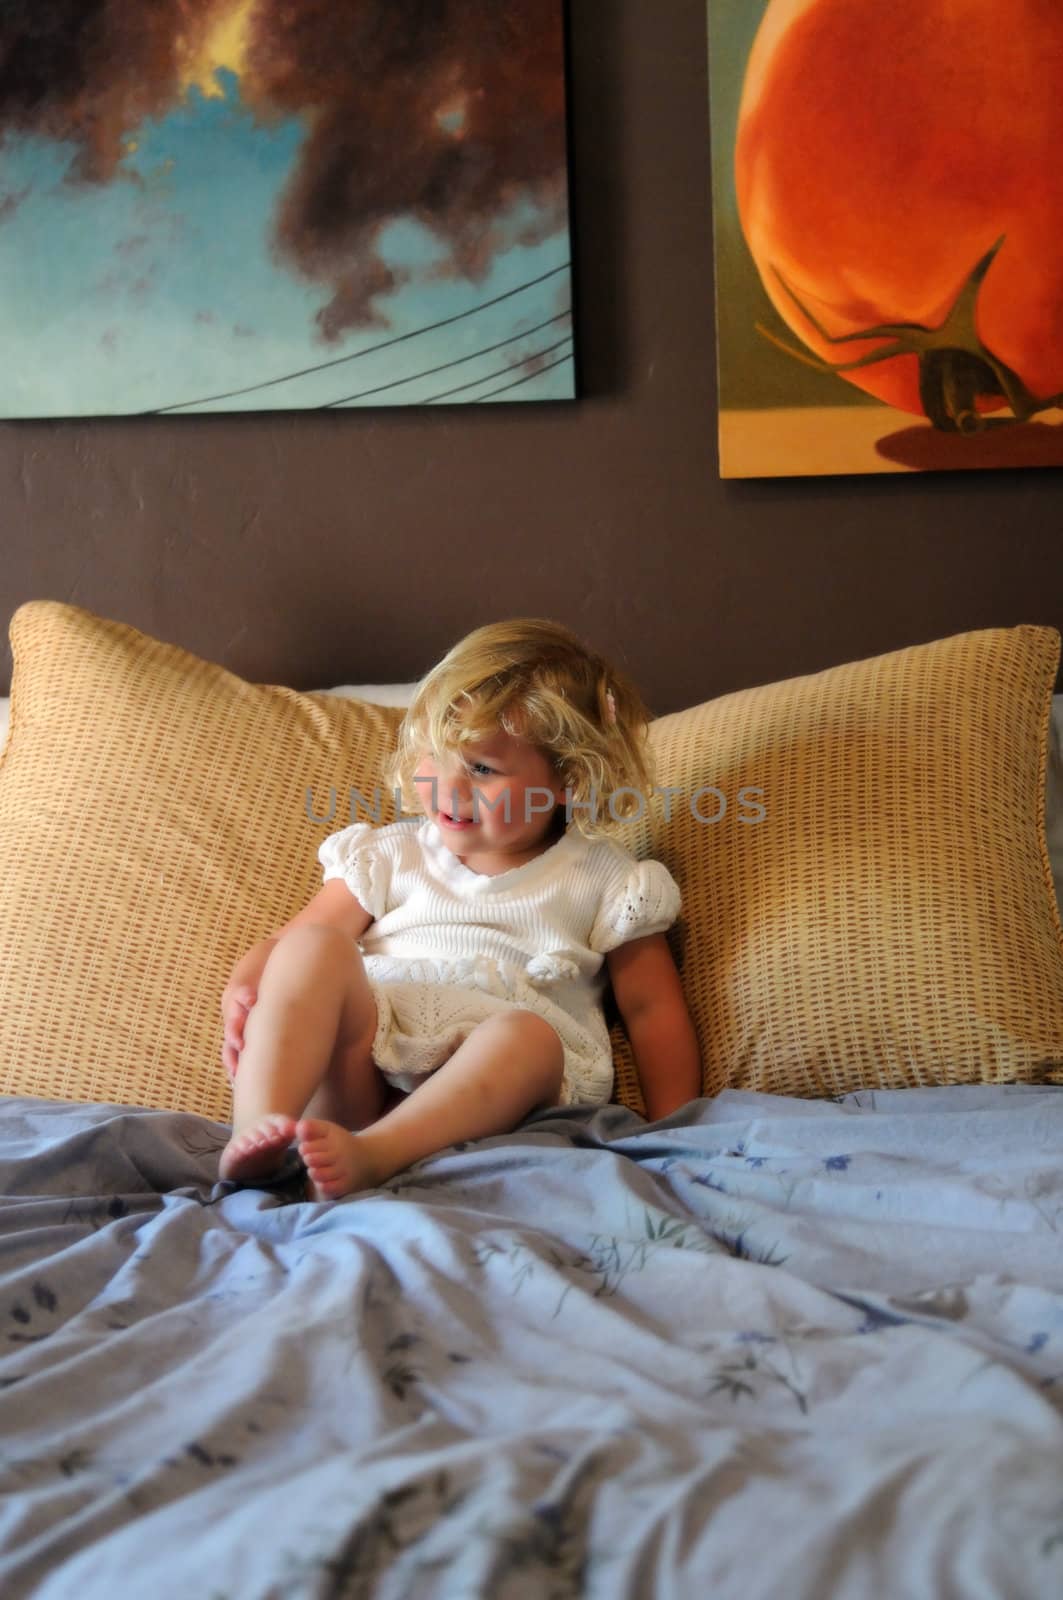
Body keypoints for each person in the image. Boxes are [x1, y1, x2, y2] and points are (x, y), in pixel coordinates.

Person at [217, 618, 702, 1200]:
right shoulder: (388, 855)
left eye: (481, 769)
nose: (449, 786)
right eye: (435, 755)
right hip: (359, 1077)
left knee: (527, 1036)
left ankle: (378, 1156)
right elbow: (289, 947)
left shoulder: (606, 879)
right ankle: (258, 1136)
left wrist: (675, 1130)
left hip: (490, 1102)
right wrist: (246, 986)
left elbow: (652, 1011)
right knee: (313, 948)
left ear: (568, 779)